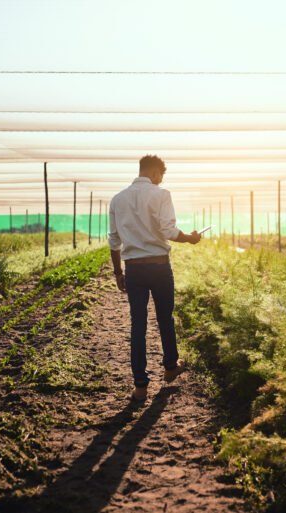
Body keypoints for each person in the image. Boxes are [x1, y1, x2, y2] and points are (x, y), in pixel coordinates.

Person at [108, 155, 202, 402]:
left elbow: (114, 240)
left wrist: (118, 272)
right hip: (159, 267)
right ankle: (171, 366)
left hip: (134, 269)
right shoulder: (161, 195)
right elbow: (168, 231)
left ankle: (140, 386)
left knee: (138, 325)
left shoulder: (118, 199)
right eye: (161, 175)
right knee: (165, 318)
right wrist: (190, 238)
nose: (161, 180)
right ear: (154, 172)